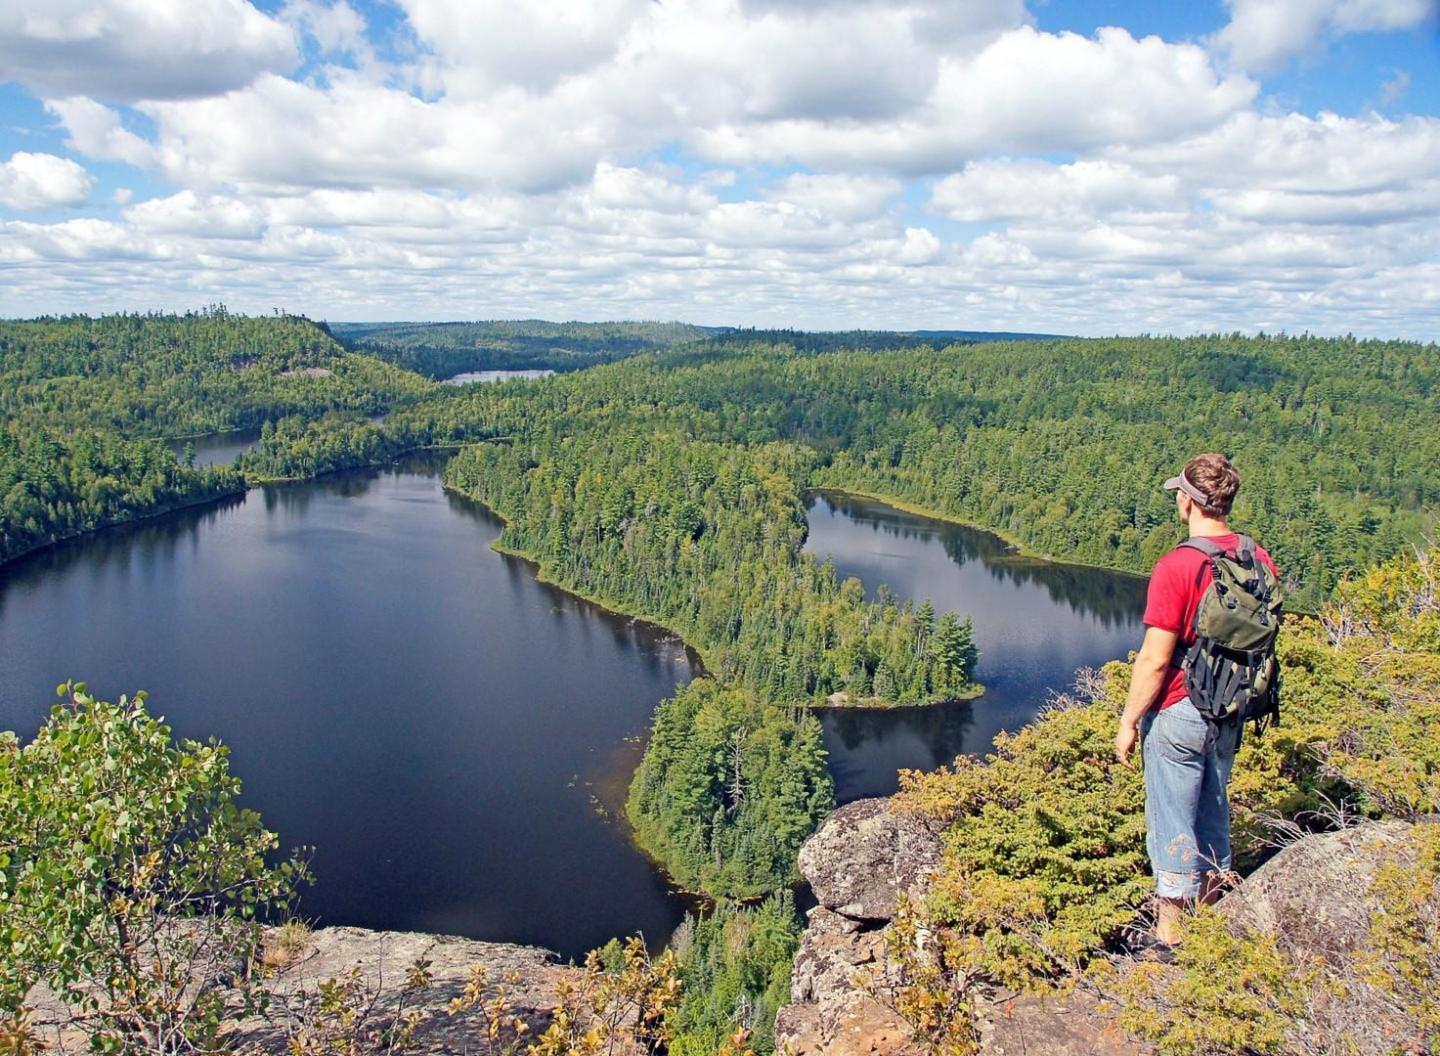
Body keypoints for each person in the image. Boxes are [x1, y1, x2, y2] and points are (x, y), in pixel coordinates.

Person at [1113, 453, 1278, 948]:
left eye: (1179, 494)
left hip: (1180, 709)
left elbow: (1155, 660)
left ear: (1188, 501)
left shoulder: (1180, 565)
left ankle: (1170, 938)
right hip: (1231, 708)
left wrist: (1128, 722)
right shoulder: (1255, 557)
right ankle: (1209, 927)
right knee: (1213, 809)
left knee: (1171, 818)